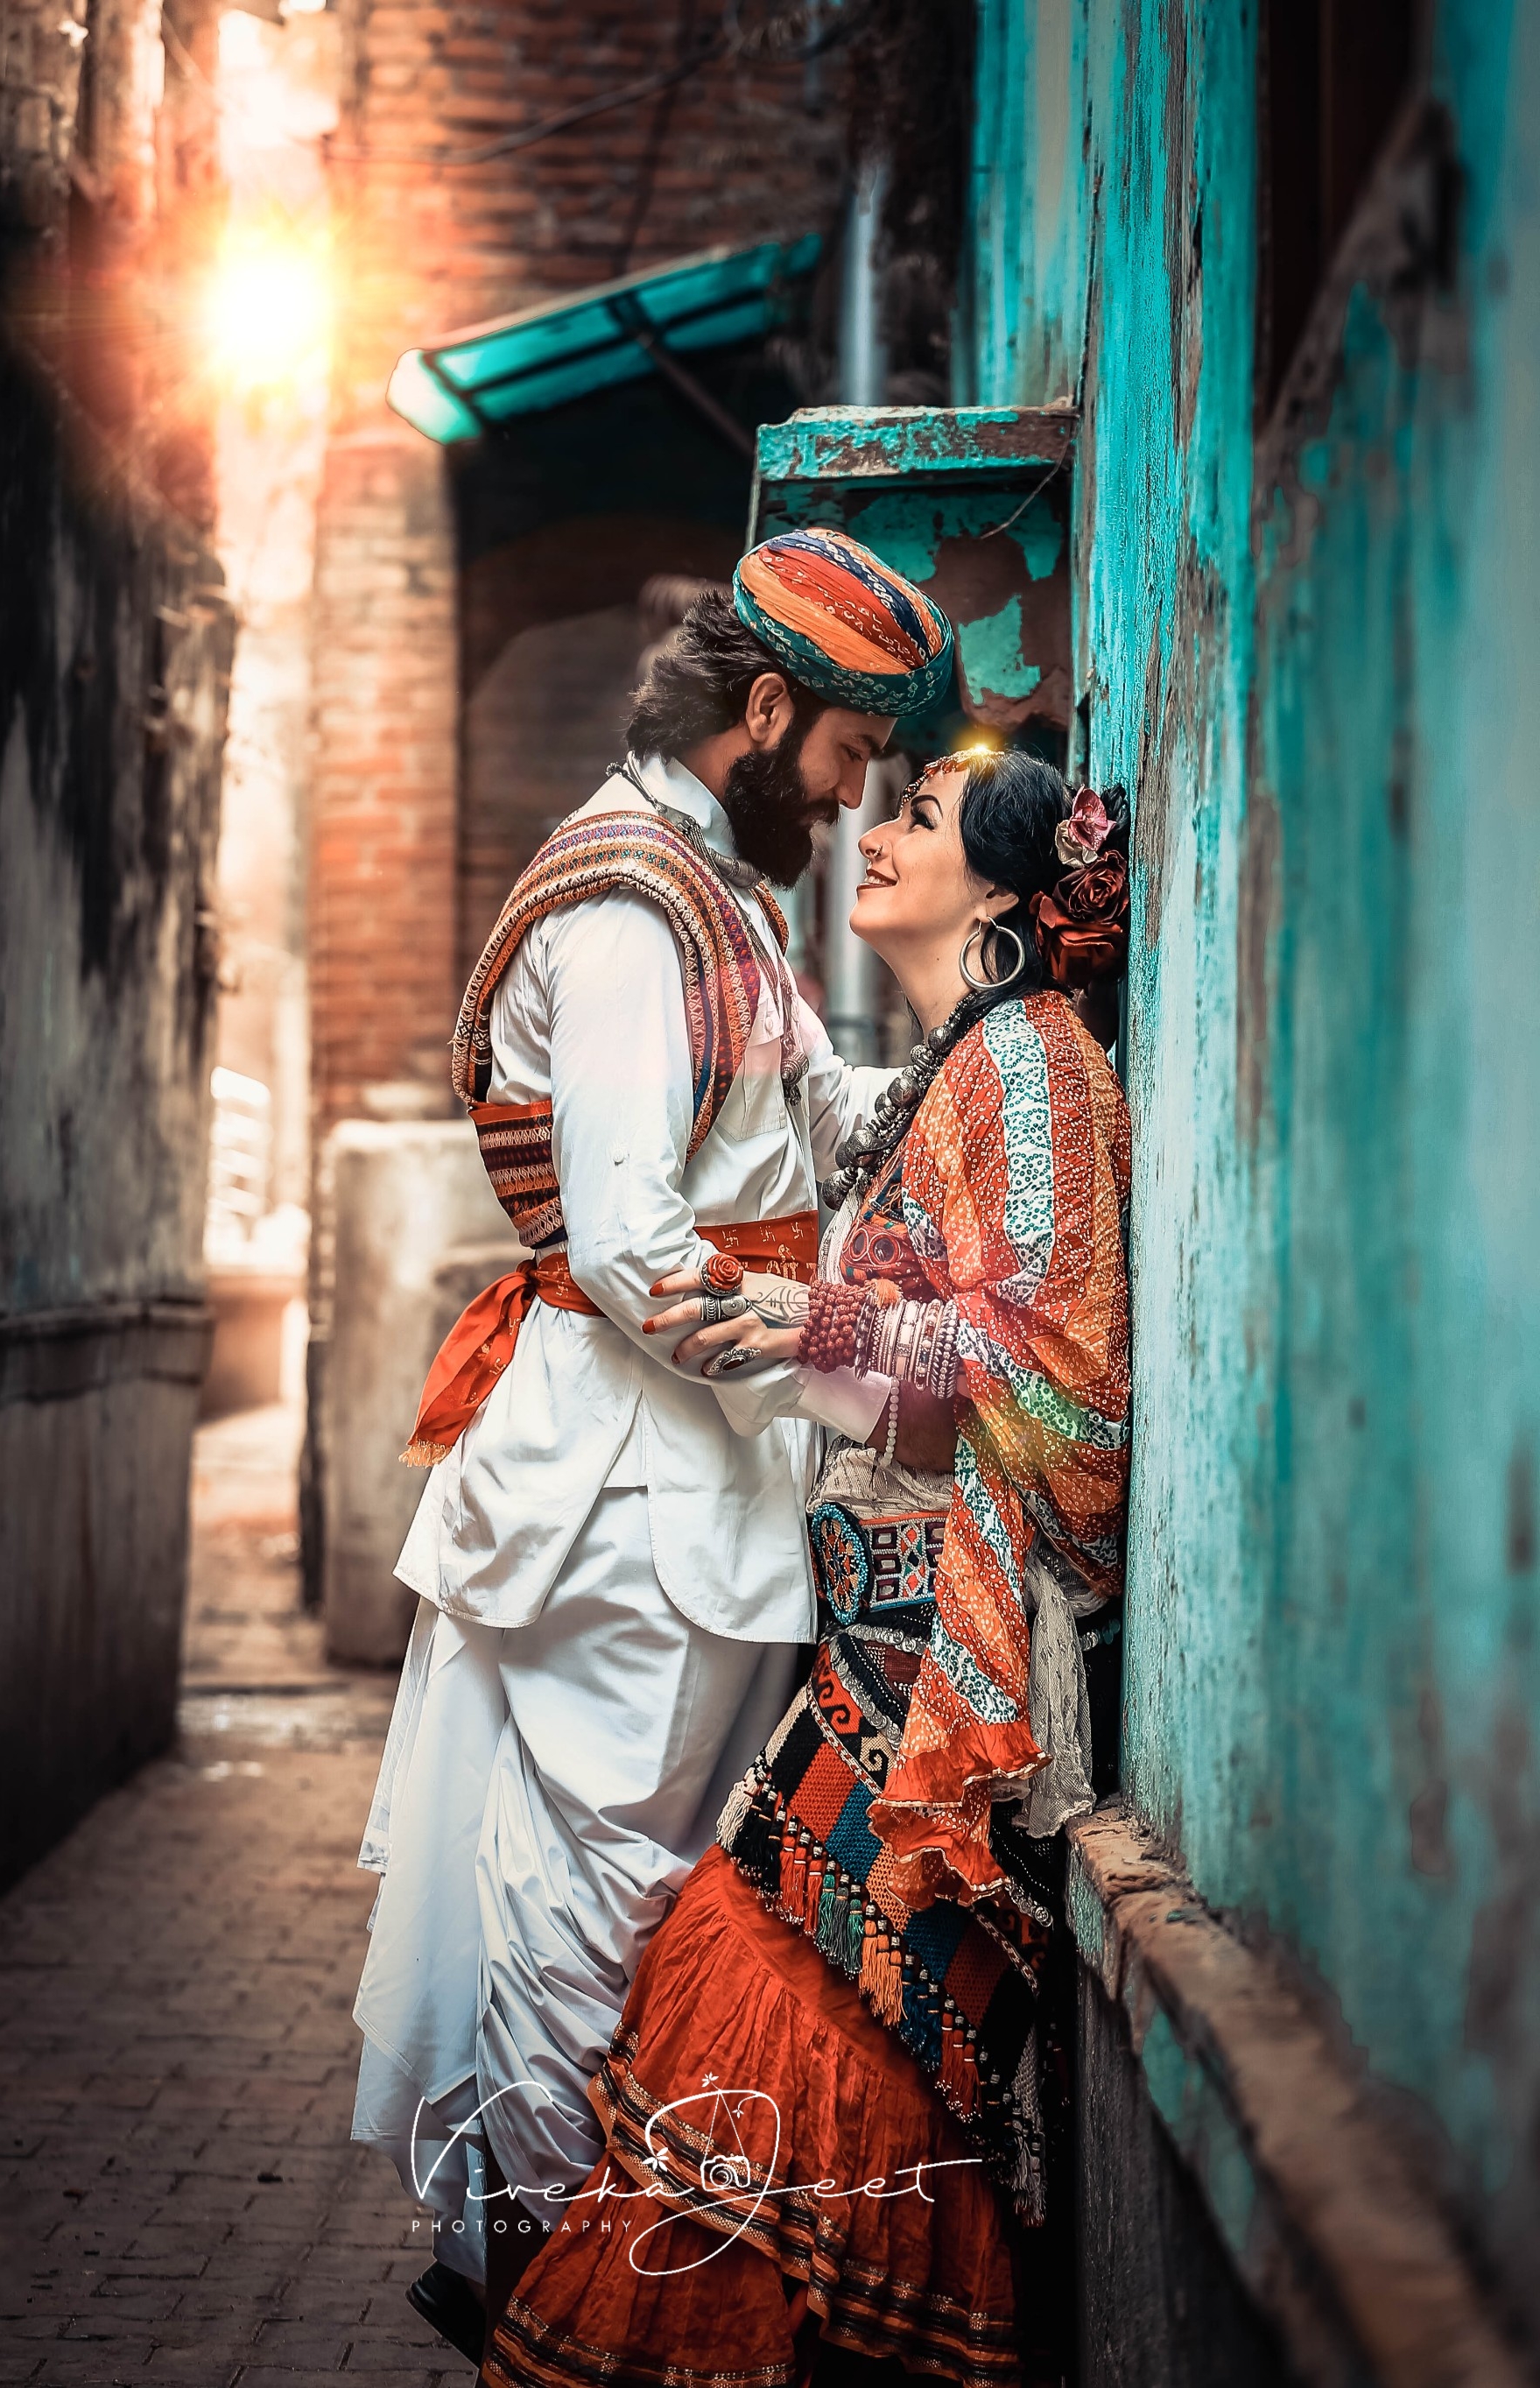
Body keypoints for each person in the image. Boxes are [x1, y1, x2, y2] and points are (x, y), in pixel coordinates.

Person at [349, 531, 956, 2356]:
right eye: (848, 754)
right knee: (600, 1900)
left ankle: (564, 2287)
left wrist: (991, 1055)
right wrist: (852, 1366)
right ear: (765, 710)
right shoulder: (628, 908)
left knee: (638, 1890)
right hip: (633, 1488)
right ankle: (548, 2289)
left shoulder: (713, 890)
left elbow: (806, 1118)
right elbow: (631, 1248)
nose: (853, 797)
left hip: (690, 1475)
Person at [481, 748, 1132, 2387]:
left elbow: (1067, 1387)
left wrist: (806, 1319)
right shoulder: (956, 1066)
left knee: (807, 2000)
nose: (875, 831)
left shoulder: (1033, 1063)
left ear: (1003, 892)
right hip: (871, 1635)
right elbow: (906, 1352)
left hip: (949, 1661)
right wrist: (798, 1327)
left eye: (918, 817)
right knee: (773, 1980)